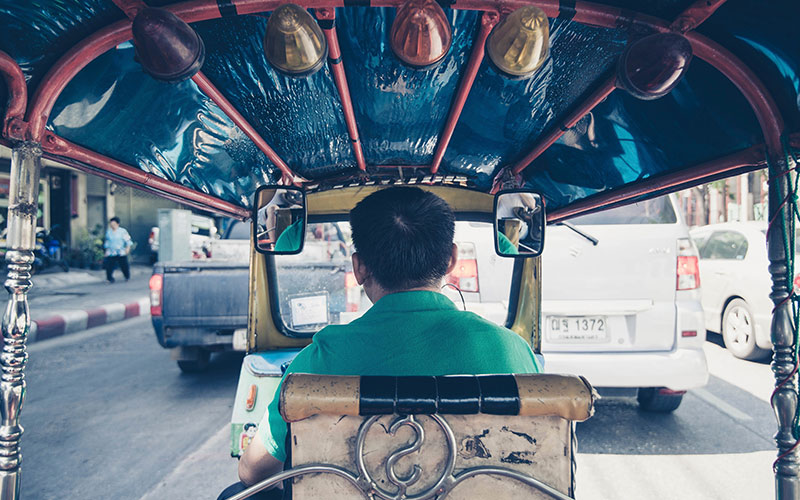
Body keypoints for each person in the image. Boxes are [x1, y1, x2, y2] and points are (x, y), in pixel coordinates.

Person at [220, 187, 541, 499]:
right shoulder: (511, 352)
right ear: (451, 260)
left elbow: (252, 473)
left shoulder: (318, 363)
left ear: (359, 268)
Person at [104, 216, 132, 283]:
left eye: (114, 224)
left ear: (117, 224)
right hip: (111, 252)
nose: (112, 226)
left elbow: (128, 240)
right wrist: (106, 250)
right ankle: (109, 278)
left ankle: (127, 276)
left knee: (124, 265)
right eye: (111, 224)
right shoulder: (109, 232)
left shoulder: (122, 231)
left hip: (121, 251)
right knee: (109, 266)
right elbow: (107, 242)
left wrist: (128, 248)